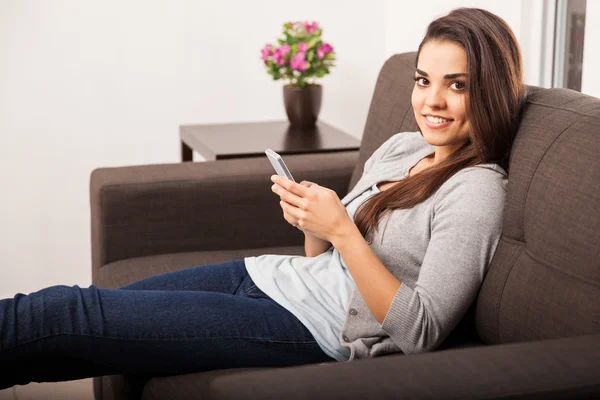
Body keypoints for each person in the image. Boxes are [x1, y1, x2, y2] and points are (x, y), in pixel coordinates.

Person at [0, 7, 526, 388]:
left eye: (457, 85)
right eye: (423, 80)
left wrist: (342, 228)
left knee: (71, 314)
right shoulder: (402, 147)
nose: (432, 100)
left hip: (312, 326)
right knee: (86, 306)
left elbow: (420, 330)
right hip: (267, 278)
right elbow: (321, 259)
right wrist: (314, 225)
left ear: (492, 90)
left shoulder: (476, 187)